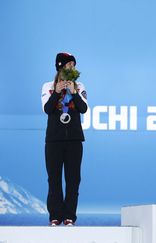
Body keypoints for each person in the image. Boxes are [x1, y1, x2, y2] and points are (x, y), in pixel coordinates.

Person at [41, 52, 88, 226]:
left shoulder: (80, 85)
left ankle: (69, 216)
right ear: (60, 66)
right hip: (53, 141)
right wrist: (57, 92)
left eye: (74, 65)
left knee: (73, 179)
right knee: (54, 179)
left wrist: (74, 92)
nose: (72, 68)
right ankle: (55, 216)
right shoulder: (48, 86)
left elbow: (83, 108)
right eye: (69, 65)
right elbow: (47, 109)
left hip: (75, 140)